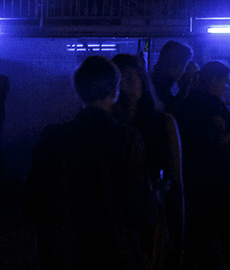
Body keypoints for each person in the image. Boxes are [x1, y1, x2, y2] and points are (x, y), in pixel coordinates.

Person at [24, 56, 154, 270]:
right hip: (114, 255)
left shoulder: (52, 138)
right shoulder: (128, 140)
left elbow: (31, 202)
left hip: (61, 255)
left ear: (78, 90)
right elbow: (141, 210)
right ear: (115, 92)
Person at [177, 61, 230, 270]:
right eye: (223, 82)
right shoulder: (211, 103)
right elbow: (219, 137)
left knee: (200, 237)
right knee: (227, 234)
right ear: (213, 80)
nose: (225, 87)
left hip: (197, 182)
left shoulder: (191, 102)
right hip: (217, 184)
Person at [112, 54, 185, 270]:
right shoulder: (108, 129)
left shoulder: (163, 123)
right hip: (117, 220)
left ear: (142, 83)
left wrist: (179, 239)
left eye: (129, 81)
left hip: (148, 220)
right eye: (118, 83)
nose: (124, 89)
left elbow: (177, 184)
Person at [150, 40, 194, 112]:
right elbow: (171, 111)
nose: (184, 71)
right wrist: (185, 88)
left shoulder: (154, 81)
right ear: (178, 67)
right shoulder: (162, 88)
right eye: (185, 66)